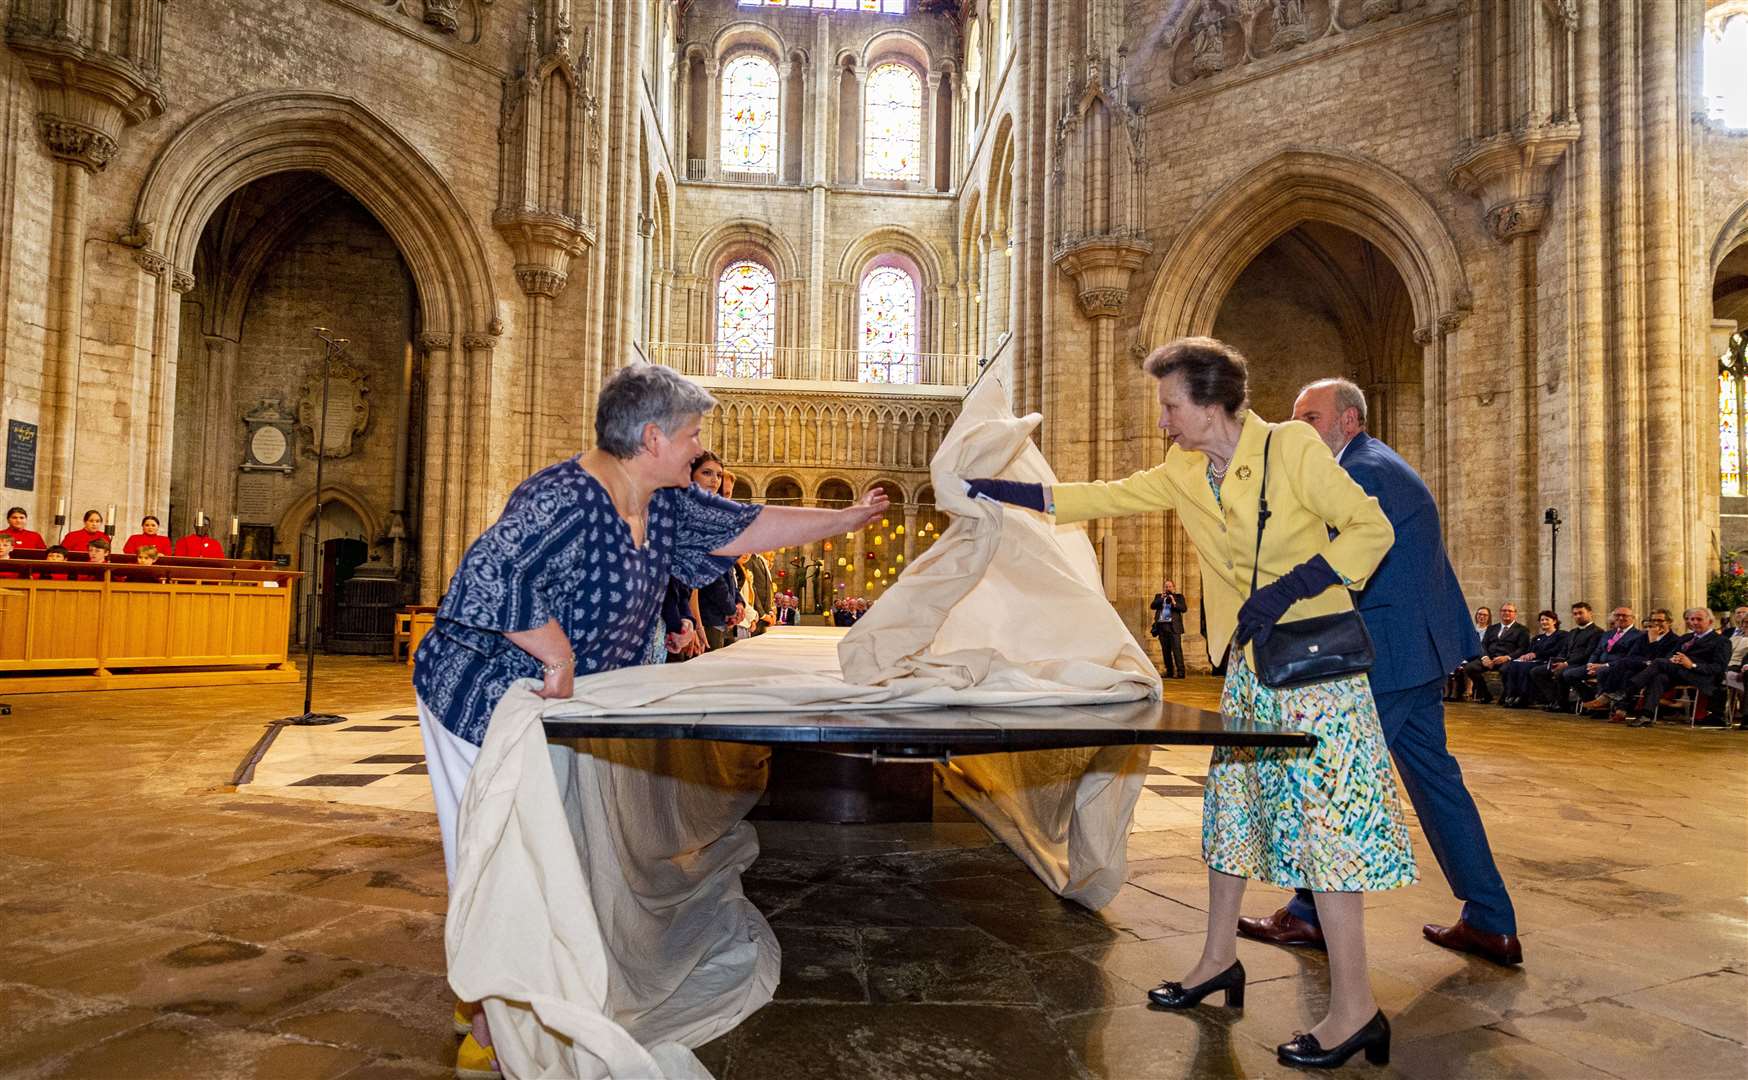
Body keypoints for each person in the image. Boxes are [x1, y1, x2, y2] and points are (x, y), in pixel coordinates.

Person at [412, 363, 887, 1077]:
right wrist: (554, 649)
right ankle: (489, 1016)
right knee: (494, 853)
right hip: (477, 701)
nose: (700, 450)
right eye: (692, 436)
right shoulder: (564, 498)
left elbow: (748, 525)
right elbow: (484, 577)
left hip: (552, 712)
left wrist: (846, 518)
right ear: (653, 437)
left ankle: (496, 982)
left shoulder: (661, 503)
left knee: (553, 852)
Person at [967, 339, 1411, 1069]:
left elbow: (1372, 529)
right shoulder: (1182, 469)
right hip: (1248, 669)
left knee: (1328, 832)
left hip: (1316, 673)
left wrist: (1292, 587)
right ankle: (1216, 960)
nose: (1164, 421)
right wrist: (1007, 492)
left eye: (1171, 405)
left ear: (1210, 402)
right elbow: (1104, 496)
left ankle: (1356, 1008)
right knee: (1231, 814)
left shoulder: (1293, 448)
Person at [1233, 378, 1522, 973]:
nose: (1297, 430)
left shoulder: (1363, 470)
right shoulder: (1376, 461)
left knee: (1333, 780)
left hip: (1390, 655)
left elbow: (1337, 562)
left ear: (1348, 420)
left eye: (1309, 417)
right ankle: (1491, 922)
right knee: (1438, 784)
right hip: (1415, 652)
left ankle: (1309, 913)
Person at [1614, 608, 1730, 728]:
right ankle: (1646, 715)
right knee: (1659, 677)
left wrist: (1692, 665)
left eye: (1699, 619)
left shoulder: (1721, 641)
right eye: (1692, 619)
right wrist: (1672, 659)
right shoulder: (1686, 637)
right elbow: (1670, 655)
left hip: (1700, 676)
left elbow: (1719, 667)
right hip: (1678, 672)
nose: (1694, 622)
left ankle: (1626, 692)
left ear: (1710, 622)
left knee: (1658, 663)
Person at [1582, 608, 1676, 711]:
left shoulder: (1674, 640)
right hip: (1639, 667)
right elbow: (1632, 655)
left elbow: (1662, 660)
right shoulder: (1644, 637)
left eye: (1660, 621)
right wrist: (1643, 661)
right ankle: (1618, 708)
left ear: (1669, 622)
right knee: (1623, 667)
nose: (1656, 623)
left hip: (1657, 672)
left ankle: (1608, 699)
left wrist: (1653, 642)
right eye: (1653, 621)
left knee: (1626, 671)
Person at [1529, 602, 1603, 710]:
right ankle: (1554, 700)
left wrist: (1566, 663)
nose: (1577, 616)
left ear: (1590, 613)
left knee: (1562, 673)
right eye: (1575, 614)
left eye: (1580, 613)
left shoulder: (1597, 632)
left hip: (1581, 663)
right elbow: (1564, 650)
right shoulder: (1573, 632)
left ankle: (1565, 703)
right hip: (1566, 662)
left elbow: (1588, 653)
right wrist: (1557, 661)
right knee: (1536, 671)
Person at [1453, 602, 1527, 704]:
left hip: (1507, 660)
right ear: (1500, 613)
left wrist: (1507, 657)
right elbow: (1483, 645)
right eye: (1504, 611)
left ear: (1515, 614)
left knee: (1506, 670)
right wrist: (1485, 657)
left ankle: (1506, 695)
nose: (1506, 613)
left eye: (1510, 611)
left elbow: (1522, 648)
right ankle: (1485, 694)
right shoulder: (1492, 628)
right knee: (1470, 668)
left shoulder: (1522, 630)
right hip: (1489, 659)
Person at [1498, 611, 1565, 708]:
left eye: (1547, 619)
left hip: (1547, 661)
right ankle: (1512, 695)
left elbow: (1556, 650)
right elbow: (1530, 651)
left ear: (1554, 621)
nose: (1544, 622)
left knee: (1525, 668)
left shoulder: (1561, 635)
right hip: (1534, 661)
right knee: (1513, 665)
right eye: (1542, 620)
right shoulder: (1538, 638)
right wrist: (1524, 656)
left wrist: (1535, 654)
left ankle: (1524, 697)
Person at [1446, 607, 1490, 701]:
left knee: (1467, 664)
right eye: (1479, 614)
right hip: (1468, 652)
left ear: (1489, 617)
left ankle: (1467, 691)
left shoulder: (1490, 630)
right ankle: (1450, 690)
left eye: (1485, 615)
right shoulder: (1471, 629)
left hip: (1481, 655)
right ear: (1476, 616)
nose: (1481, 617)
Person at [1149, 580, 1188, 677]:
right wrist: (1162, 599)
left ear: (1174, 588)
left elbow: (1183, 609)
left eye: (1170, 586)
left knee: (1177, 650)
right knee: (1165, 651)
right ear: (1164, 588)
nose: (1168, 588)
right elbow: (1152, 606)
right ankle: (1169, 672)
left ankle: (1181, 672)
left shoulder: (1179, 597)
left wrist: (1174, 602)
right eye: (1166, 586)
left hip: (1174, 627)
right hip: (1162, 627)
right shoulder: (1159, 596)